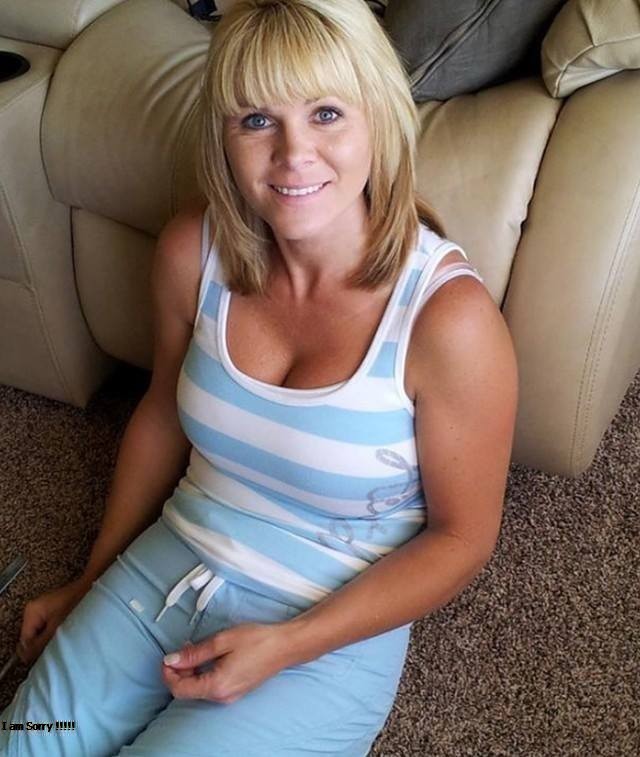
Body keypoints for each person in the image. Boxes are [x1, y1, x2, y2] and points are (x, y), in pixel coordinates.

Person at [0, 0, 518, 754]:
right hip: (165, 572)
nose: (292, 153)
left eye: (327, 113)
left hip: (325, 638)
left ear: (379, 117)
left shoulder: (450, 320)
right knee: (26, 740)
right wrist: (92, 578)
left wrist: (289, 643)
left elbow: (462, 537)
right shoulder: (192, 251)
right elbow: (162, 413)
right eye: (257, 120)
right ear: (224, 137)